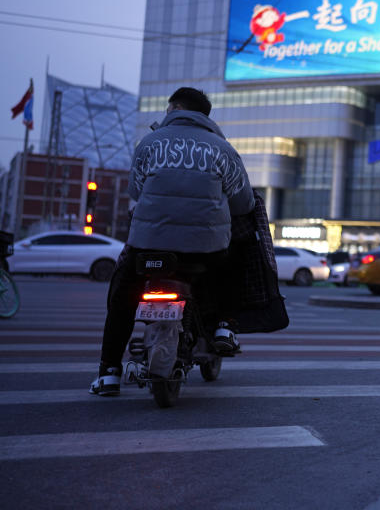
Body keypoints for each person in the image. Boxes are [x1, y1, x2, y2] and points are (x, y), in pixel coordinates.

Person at [89, 87, 255, 396]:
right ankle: (224, 326)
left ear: (175, 108)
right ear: (204, 115)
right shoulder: (223, 149)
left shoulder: (149, 144)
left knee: (123, 293)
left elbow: (136, 192)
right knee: (233, 263)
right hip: (205, 248)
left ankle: (109, 372)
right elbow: (244, 203)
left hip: (148, 246)